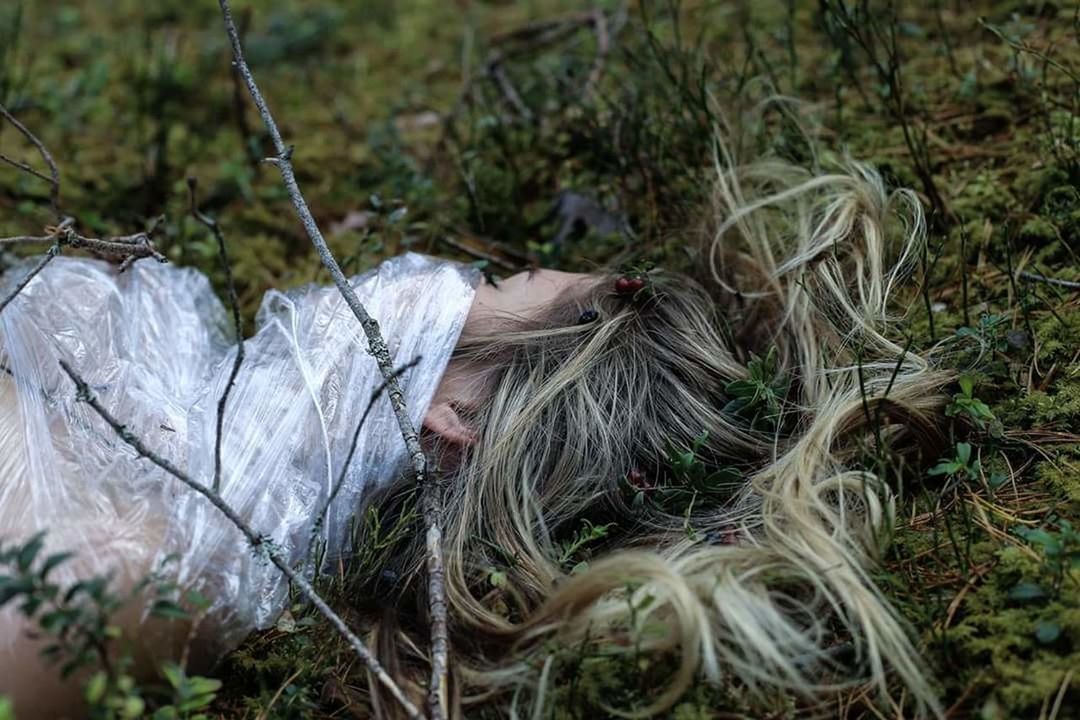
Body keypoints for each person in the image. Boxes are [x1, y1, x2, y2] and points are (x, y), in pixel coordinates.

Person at [0, 141, 949, 718]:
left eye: (491, 284)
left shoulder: (139, 574)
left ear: (453, 414)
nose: (437, 269)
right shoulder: (134, 432)